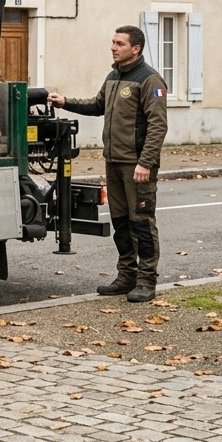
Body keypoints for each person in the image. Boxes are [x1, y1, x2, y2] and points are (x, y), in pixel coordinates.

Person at [46, 25, 168, 302]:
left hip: (136, 165)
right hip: (113, 162)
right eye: (112, 42)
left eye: (120, 43)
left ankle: (146, 281)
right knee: (121, 223)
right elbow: (96, 105)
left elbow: (158, 126)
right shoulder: (114, 76)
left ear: (135, 48)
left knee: (142, 224)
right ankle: (126, 276)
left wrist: (145, 163)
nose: (113, 47)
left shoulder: (150, 80)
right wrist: (65, 102)